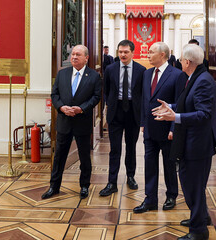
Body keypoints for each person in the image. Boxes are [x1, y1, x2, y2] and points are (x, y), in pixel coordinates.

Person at [153, 43, 216, 240]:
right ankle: (200, 217)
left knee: (193, 186)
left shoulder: (202, 81)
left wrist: (174, 117)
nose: (180, 63)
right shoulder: (196, 77)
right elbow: (189, 104)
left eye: (181, 60)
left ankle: (199, 231)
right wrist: (171, 106)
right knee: (193, 184)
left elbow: (203, 114)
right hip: (192, 142)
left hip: (198, 144)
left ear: (187, 62)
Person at [42, 45, 102, 200]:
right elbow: (54, 95)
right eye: (73, 54)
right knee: (59, 157)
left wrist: (81, 109)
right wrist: (61, 107)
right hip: (64, 121)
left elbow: (96, 97)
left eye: (78, 54)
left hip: (82, 122)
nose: (74, 57)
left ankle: (84, 186)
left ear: (86, 58)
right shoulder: (62, 73)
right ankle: (54, 186)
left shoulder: (94, 76)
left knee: (84, 156)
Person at [134, 41, 187, 214]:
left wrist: (174, 128)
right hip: (149, 129)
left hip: (167, 129)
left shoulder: (177, 75)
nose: (147, 55)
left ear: (162, 54)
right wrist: (143, 123)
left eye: (151, 52)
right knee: (149, 164)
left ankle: (171, 195)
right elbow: (145, 100)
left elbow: (179, 104)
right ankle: (150, 199)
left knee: (169, 164)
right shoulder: (147, 73)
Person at [99, 40, 146, 196]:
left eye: (126, 52)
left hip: (133, 112)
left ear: (132, 52)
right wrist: (109, 105)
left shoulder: (141, 70)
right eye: (120, 52)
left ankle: (130, 177)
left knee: (131, 147)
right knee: (115, 149)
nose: (123, 55)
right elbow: (106, 90)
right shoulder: (110, 69)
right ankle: (112, 182)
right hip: (116, 112)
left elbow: (143, 93)